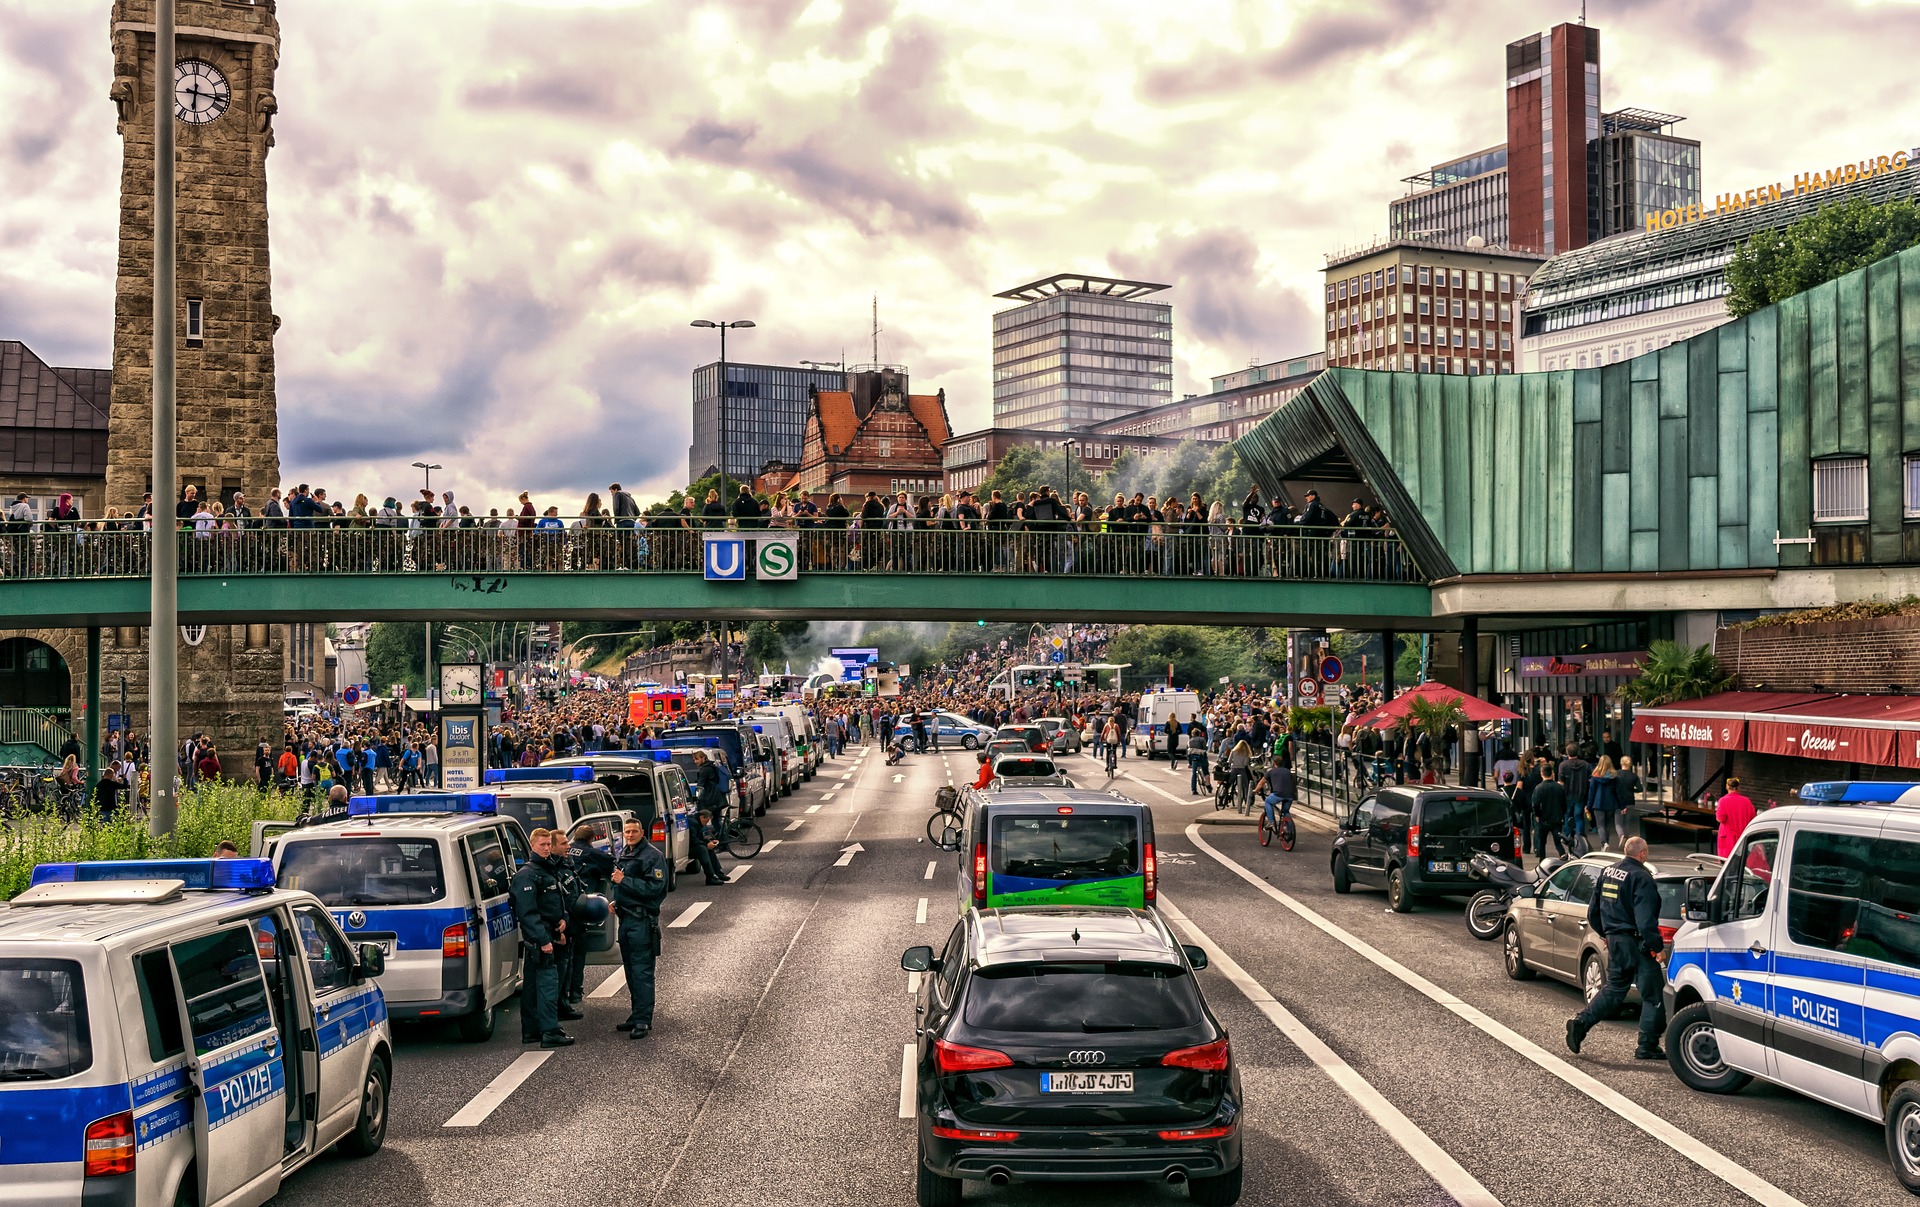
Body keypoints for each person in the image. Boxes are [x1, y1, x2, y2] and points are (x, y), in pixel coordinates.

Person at [1565, 836, 1668, 1061]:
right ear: (1643, 854)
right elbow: (1644, 920)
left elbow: (1593, 911)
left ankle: (1581, 1023)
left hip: (1614, 942)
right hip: (1636, 943)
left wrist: (1606, 934)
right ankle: (1647, 1046)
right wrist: (1657, 947)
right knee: (1654, 995)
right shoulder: (1642, 877)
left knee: (1613, 990)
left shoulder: (1608, 872)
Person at [510, 828, 575, 1047]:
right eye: (542, 845)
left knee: (532, 987)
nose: (547, 848)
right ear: (532, 846)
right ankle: (550, 1032)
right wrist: (544, 940)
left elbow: (557, 900)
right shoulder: (528, 875)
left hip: (552, 932)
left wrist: (563, 918)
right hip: (541, 939)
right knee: (548, 985)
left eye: (549, 844)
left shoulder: (549, 869)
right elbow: (528, 914)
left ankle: (533, 1031)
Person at [610, 818, 668, 1038]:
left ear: (642, 832)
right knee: (631, 972)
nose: (630, 834)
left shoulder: (653, 856)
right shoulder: (626, 852)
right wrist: (618, 901)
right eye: (627, 831)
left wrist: (624, 881)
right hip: (626, 919)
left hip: (642, 922)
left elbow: (655, 889)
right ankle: (636, 1014)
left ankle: (643, 1020)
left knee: (642, 972)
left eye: (634, 831)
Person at [546, 830, 587, 1023]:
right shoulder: (552, 869)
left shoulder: (566, 864)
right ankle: (557, 1007)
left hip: (573, 925)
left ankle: (564, 1003)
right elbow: (554, 902)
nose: (568, 846)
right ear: (552, 847)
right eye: (563, 844)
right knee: (559, 970)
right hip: (561, 928)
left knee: (567, 967)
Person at [1531, 763, 1568, 860]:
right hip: (1556, 818)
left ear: (1541, 774)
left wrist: (1537, 815)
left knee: (1542, 842)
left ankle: (1542, 859)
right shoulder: (1559, 787)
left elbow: (1535, 804)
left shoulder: (1538, 788)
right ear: (1552, 773)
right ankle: (1562, 854)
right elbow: (1564, 804)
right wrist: (1562, 814)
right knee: (1557, 840)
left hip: (1544, 819)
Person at [1715, 776, 1756, 858]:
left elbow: (1720, 818)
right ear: (1738, 787)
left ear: (1727, 787)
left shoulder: (1723, 801)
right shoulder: (1746, 801)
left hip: (1728, 837)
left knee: (1728, 861)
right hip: (1743, 835)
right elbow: (1753, 817)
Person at [691, 808, 727, 885]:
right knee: (703, 849)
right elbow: (693, 840)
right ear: (701, 817)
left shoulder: (697, 822)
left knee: (709, 848)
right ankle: (710, 877)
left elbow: (700, 838)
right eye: (706, 821)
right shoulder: (693, 823)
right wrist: (706, 844)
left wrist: (709, 842)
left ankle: (718, 872)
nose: (706, 824)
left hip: (692, 845)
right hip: (689, 848)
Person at [1260, 759, 1296, 831]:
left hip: (1278, 794)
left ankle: (1271, 821)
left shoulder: (1271, 772)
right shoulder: (1287, 771)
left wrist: (1255, 791)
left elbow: (1261, 783)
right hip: (1290, 795)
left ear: (1274, 763)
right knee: (1285, 811)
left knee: (1268, 801)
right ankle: (1290, 830)